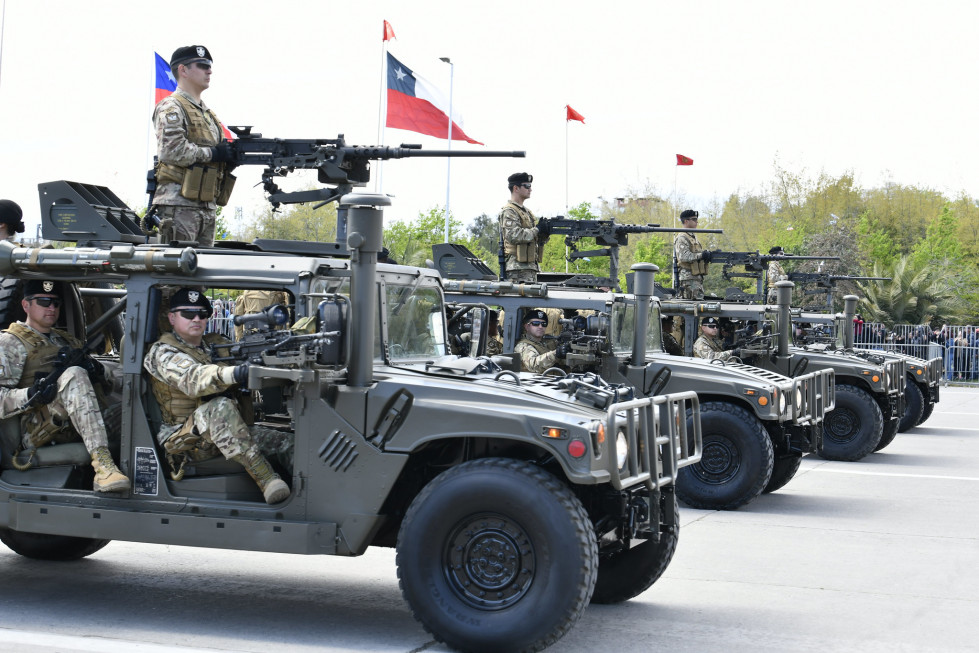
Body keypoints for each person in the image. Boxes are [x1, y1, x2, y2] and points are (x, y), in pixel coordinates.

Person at [143, 287, 293, 504]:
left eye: (202, 314)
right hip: (186, 441)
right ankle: (266, 479)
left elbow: (245, 360)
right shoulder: (163, 352)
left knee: (289, 444)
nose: (196, 319)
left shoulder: (216, 344)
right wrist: (235, 372)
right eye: (188, 314)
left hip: (228, 432)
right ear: (172, 318)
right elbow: (194, 379)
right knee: (220, 406)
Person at [0, 280, 129, 492]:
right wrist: (32, 393)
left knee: (132, 414)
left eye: (56, 303)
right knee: (74, 374)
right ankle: (103, 467)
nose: (51, 308)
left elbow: (109, 384)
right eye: (43, 302)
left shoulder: (66, 341)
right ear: (26, 305)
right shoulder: (10, 343)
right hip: (37, 429)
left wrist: (97, 370)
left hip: (76, 420)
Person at [151, 45, 235, 247]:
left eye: (209, 66)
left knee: (202, 274)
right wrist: (213, 154)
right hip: (178, 205)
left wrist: (229, 158)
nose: (209, 71)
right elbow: (171, 150)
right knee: (176, 273)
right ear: (183, 70)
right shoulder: (172, 106)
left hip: (205, 205)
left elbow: (215, 153)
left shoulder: (208, 115)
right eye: (202, 65)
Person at [499, 172, 548, 283]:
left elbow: (533, 238)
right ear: (516, 188)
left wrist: (544, 233)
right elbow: (513, 235)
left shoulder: (526, 212)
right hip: (517, 269)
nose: (530, 189)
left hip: (529, 268)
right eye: (527, 186)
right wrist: (537, 229)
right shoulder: (510, 211)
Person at [674, 209, 710, 299]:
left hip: (695, 277)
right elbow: (683, 257)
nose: (696, 222)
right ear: (686, 221)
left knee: (698, 306)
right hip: (688, 279)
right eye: (694, 219)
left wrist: (707, 255)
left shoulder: (692, 237)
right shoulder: (682, 237)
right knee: (691, 308)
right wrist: (701, 255)